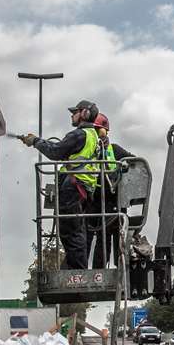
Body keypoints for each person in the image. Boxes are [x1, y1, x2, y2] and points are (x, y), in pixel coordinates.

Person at [21, 100, 104, 269]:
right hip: (85, 188)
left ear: (84, 113)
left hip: (73, 187)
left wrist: (36, 142)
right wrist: (38, 140)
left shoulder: (78, 135)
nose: (72, 115)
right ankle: (76, 269)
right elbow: (61, 149)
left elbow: (55, 152)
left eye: (75, 112)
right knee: (76, 231)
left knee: (70, 232)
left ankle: (77, 273)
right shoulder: (93, 135)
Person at [88, 114, 134, 268]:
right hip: (92, 202)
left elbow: (135, 163)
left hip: (114, 202)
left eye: (96, 130)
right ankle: (92, 272)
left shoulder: (114, 150)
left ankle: (118, 271)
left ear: (103, 131)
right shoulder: (87, 150)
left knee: (114, 240)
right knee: (93, 238)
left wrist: (125, 165)